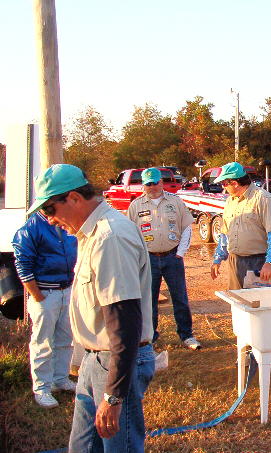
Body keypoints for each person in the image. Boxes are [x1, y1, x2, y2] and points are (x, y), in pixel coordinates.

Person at [26, 164, 155, 452]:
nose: (50, 220)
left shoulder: (110, 237)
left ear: (74, 198)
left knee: (119, 447)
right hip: (96, 358)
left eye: (49, 209)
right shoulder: (91, 234)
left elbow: (124, 323)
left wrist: (114, 396)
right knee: (83, 446)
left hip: (115, 361)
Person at [127, 167, 201, 350]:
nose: (152, 187)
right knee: (148, 301)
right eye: (148, 184)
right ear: (143, 185)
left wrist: (180, 253)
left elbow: (186, 227)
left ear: (161, 182)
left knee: (180, 298)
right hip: (148, 260)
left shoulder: (175, 201)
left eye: (155, 183)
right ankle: (150, 337)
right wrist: (137, 258)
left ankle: (186, 335)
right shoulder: (136, 205)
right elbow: (130, 235)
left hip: (172, 257)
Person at [12, 211, 78, 408]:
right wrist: (37, 295)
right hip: (45, 292)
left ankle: (60, 378)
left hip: (67, 288)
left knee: (66, 338)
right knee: (43, 342)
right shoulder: (31, 228)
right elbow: (23, 264)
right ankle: (42, 388)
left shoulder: (65, 220)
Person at [210, 162, 271, 290]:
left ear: (234, 183)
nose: (223, 187)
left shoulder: (262, 198)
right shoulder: (230, 201)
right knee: (236, 299)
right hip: (235, 261)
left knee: (256, 300)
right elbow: (225, 234)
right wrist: (218, 258)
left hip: (257, 262)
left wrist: (270, 262)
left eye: (224, 183)